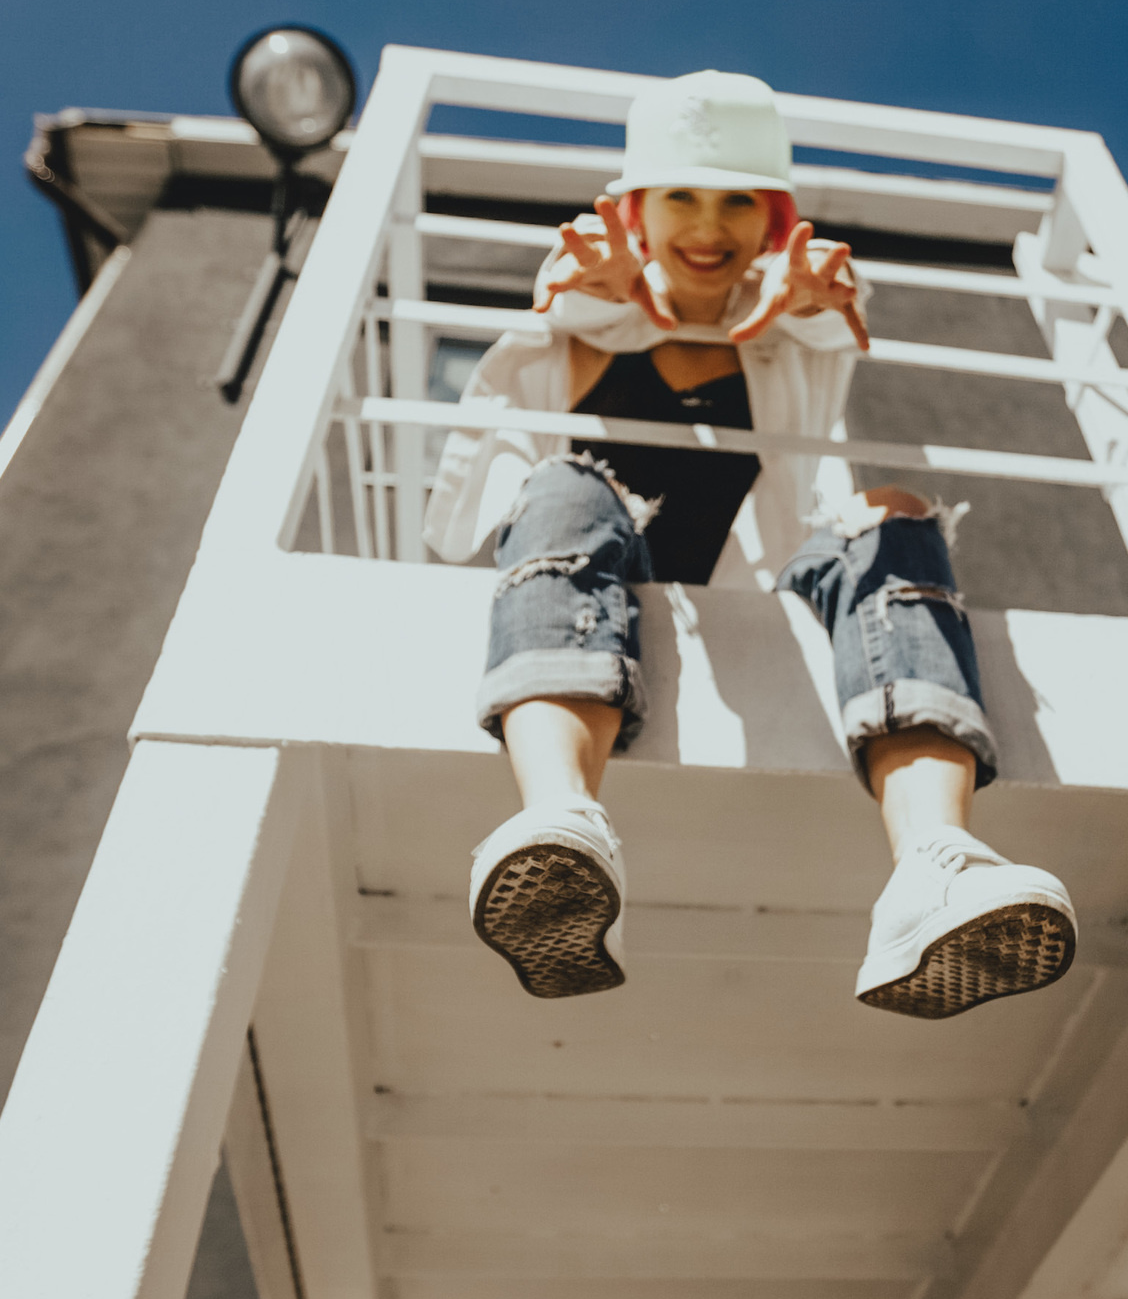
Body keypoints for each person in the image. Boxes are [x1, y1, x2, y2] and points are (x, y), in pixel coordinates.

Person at [423, 71, 1076, 1020]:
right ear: (635, 209)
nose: (707, 224)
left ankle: (935, 866)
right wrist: (609, 313)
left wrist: (796, 309)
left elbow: (825, 317)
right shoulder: (576, 308)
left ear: (770, 218)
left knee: (889, 507)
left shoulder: (800, 320)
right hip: (601, 580)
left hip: (766, 582)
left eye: (737, 200)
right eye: (681, 195)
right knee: (568, 481)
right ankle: (558, 819)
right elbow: (491, 482)